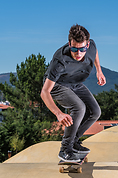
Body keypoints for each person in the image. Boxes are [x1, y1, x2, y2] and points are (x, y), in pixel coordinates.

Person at [41, 24, 106, 162]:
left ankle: (74, 142)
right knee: (79, 108)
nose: (78, 53)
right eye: (74, 49)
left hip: (75, 83)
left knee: (95, 112)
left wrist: (99, 70)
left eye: (82, 49)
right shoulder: (60, 60)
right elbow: (45, 92)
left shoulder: (91, 45)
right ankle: (65, 149)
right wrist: (58, 113)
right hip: (57, 85)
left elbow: (95, 52)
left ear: (87, 45)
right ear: (69, 43)